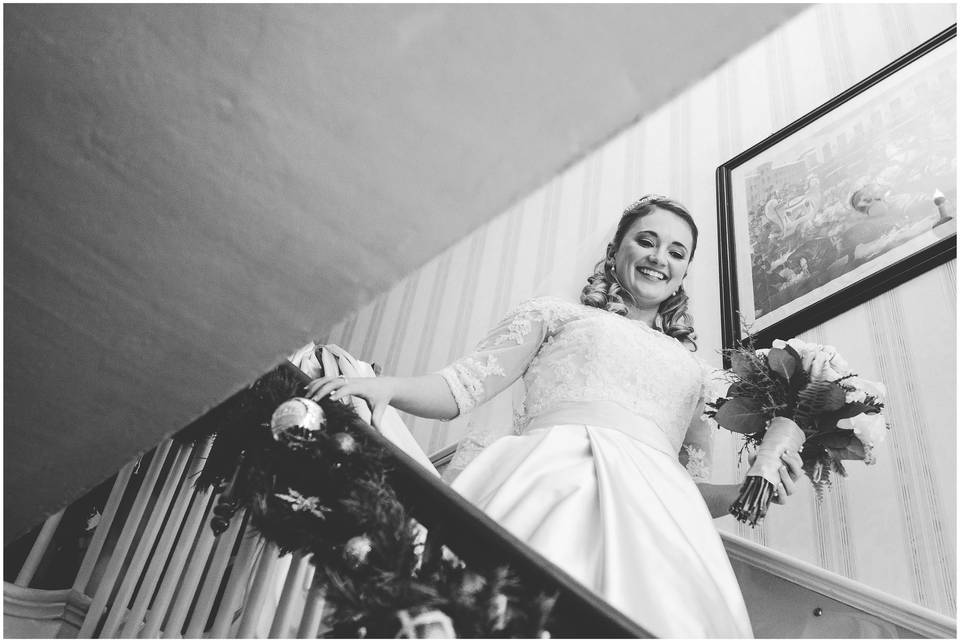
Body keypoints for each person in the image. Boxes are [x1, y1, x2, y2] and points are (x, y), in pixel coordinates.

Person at [306, 195, 804, 638]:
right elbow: (462, 385)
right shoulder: (555, 315)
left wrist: (745, 493)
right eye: (646, 241)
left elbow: (691, 485)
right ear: (615, 251)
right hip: (550, 478)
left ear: (684, 272)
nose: (659, 258)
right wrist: (386, 387)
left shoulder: (696, 373)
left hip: (661, 527)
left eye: (677, 252)